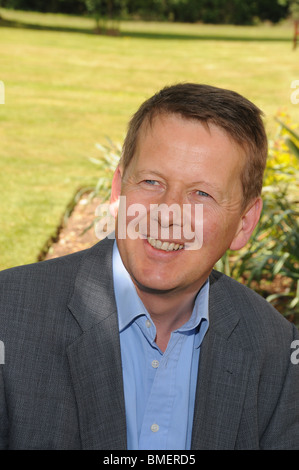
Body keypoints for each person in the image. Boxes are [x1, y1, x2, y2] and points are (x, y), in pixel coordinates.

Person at [0, 83, 298, 450]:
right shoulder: (8, 317)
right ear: (117, 192)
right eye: (152, 181)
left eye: (201, 194)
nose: (167, 213)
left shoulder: (277, 354)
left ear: (245, 223)